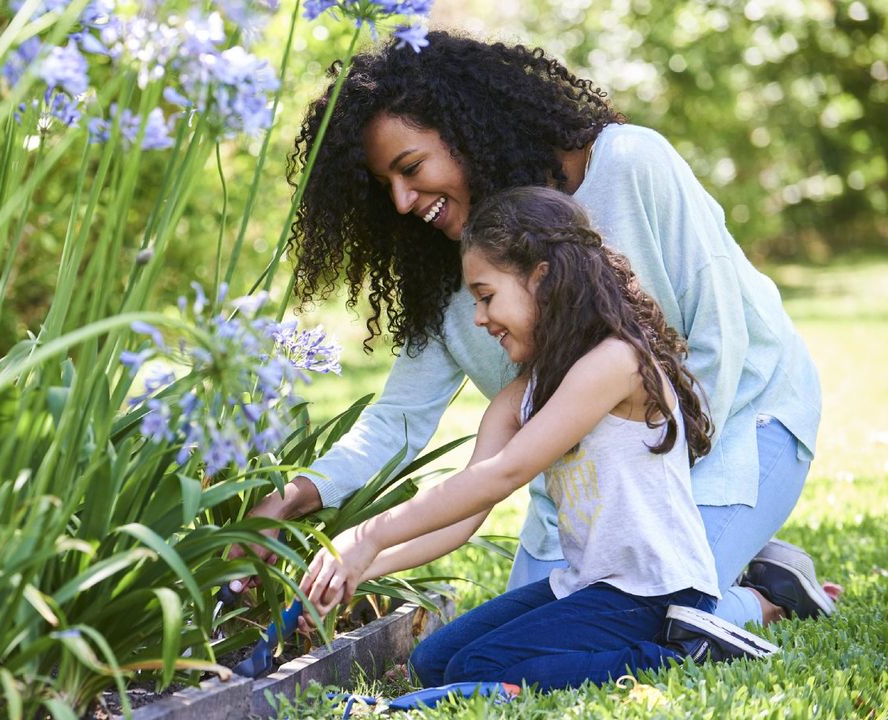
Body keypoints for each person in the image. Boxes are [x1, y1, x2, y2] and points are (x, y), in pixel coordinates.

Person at [233, 32, 833, 630]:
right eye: (384, 184)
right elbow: (397, 420)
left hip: (740, 425)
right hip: (592, 487)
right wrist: (296, 495)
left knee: (650, 617)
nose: (400, 200)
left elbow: (719, 340)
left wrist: (658, 509)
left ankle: (761, 598)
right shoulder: (454, 277)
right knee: (523, 631)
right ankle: (746, 565)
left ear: (466, 129)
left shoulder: (628, 164)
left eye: (411, 168)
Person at [299, 186, 779, 689]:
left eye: (486, 296)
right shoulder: (520, 396)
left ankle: (694, 652)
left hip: (656, 593)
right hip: (587, 586)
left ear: (542, 280)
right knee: (433, 663)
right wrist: (359, 569)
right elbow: (463, 515)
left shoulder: (617, 363)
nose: (479, 318)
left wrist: (368, 534)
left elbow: (504, 474)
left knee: (476, 669)